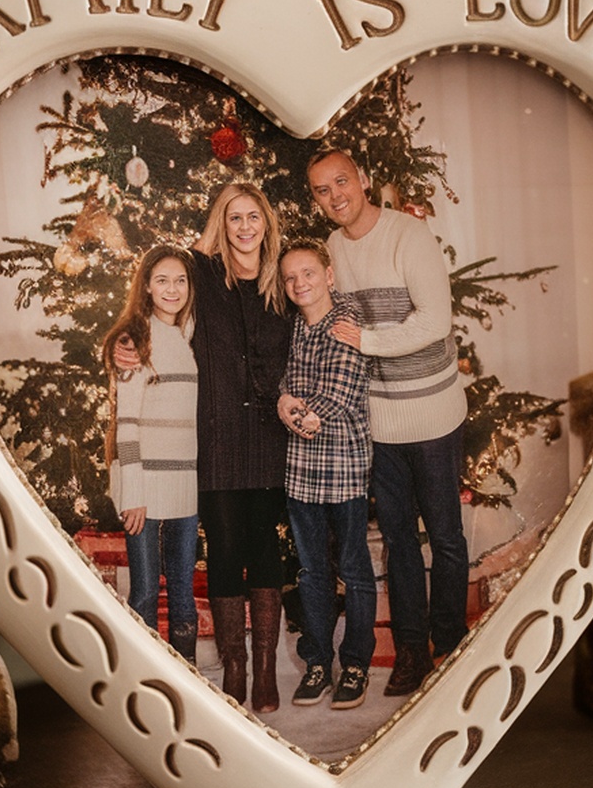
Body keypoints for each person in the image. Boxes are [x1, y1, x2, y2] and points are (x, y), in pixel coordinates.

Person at [115, 183, 290, 712]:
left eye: (252, 216)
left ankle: (264, 669)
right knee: (226, 552)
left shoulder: (280, 280)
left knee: (264, 551)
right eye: (233, 217)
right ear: (221, 222)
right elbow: (154, 297)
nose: (244, 227)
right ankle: (233, 665)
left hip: (266, 438)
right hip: (212, 443)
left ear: (266, 222)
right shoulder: (203, 275)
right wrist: (122, 339)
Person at [303, 149, 469, 696]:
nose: (335, 196)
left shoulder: (409, 236)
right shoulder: (330, 250)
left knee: (444, 537)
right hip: (380, 418)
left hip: (433, 410)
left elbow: (436, 320)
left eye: (342, 182)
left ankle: (448, 643)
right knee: (398, 541)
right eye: (323, 190)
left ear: (365, 179)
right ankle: (413, 653)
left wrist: (367, 341)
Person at [277, 241, 376, 710]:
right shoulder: (296, 325)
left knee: (353, 568)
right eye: (291, 277)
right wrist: (286, 402)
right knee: (312, 571)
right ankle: (318, 661)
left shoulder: (347, 318)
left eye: (309, 273)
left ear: (329, 275)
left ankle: (355, 663)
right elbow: (287, 380)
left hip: (345, 468)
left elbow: (340, 387)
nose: (300, 284)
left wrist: (303, 410)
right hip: (301, 471)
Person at [102, 247, 199, 662]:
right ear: (146, 286)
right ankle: (146, 674)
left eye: (180, 280)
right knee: (143, 590)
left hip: (186, 483)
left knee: (182, 589)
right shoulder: (134, 339)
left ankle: (188, 676)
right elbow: (127, 422)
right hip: (143, 484)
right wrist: (133, 491)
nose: (171, 289)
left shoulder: (191, 334)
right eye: (162, 280)